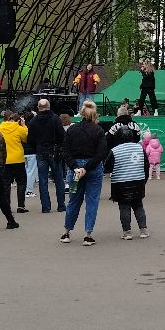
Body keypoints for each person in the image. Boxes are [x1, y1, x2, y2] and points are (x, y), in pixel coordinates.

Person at [60, 99, 107, 246]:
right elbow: (101, 153)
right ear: (94, 114)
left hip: (75, 170)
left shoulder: (72, 130)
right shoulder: (98, 130)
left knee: (73, 200)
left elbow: (65, 151)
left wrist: (75, 167)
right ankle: (88, 234)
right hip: (93, 169)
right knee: (92, 202)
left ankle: (66, 232)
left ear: (81, 113)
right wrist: (86, 167)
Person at [104, 132, 150, 239]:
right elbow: (146, 165)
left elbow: (107, 167)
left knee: (124, 207)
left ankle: (127, 232)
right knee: (138, 206)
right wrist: (144, 180)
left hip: (120, 184)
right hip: (138, 181)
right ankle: (143, 230)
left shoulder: (115, 150)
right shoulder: (139, 148)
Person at [26, 98, 66, 214]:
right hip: (54, 150)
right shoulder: (55, 119)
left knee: (43, 180)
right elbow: (61, 135)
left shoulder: (33, 121)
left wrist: (36, 148)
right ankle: (61, 205)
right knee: (58, 179)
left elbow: (30, 139)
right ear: (49, 107)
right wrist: (60, 147)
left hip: (40, 151)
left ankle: (46, 207)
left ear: (38, 108)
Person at [0, 111, 29, 214]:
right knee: (21, 182)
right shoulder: (19, 128)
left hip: (5, 159)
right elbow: (25, 138)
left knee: (6, 183)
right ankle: (21, 206)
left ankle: (7, 206)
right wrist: (24, 126)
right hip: (18, 158)